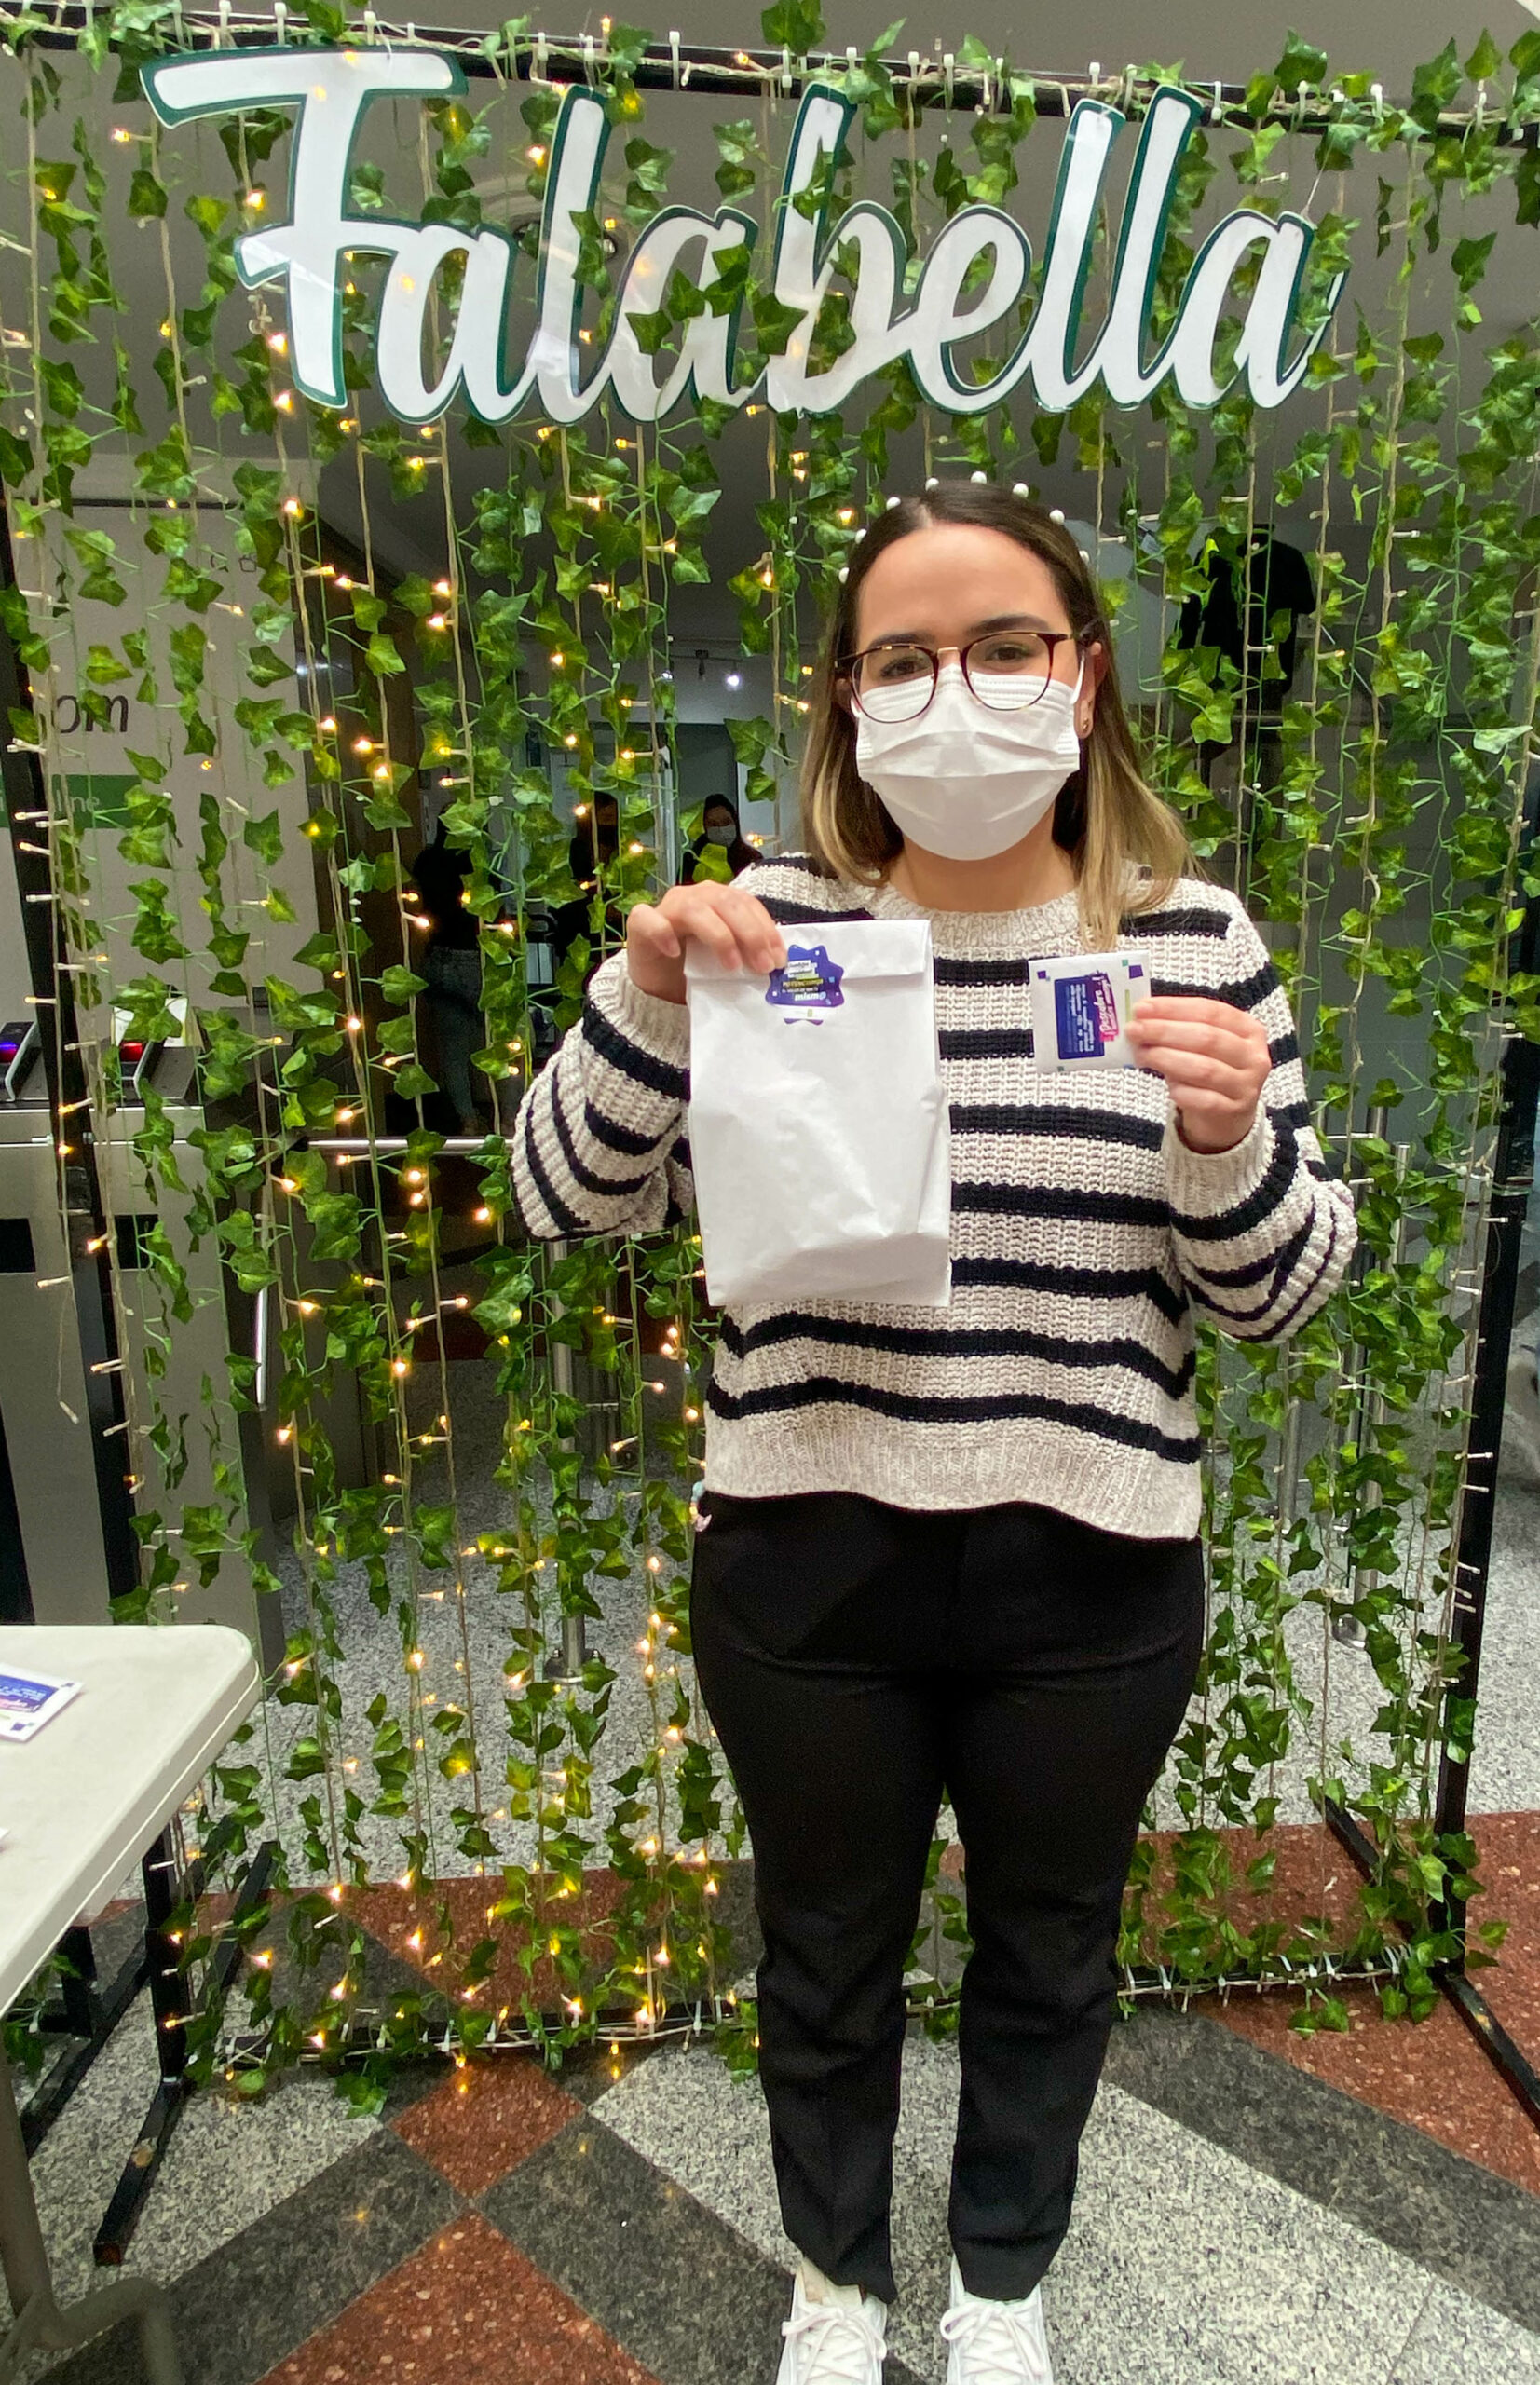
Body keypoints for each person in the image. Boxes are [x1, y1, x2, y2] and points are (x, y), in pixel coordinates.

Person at [511, 484, 1356, 2384]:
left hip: (1092, 1554)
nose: (951, 690)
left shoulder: (1193, 939)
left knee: (1049, 1946)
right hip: (809, 1549)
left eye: (1001, 647)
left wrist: (1227, 1139)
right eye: (900, 657)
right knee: (822, 1950)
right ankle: (834, 2285)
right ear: (843, 695)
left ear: (1083, 676)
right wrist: (645, 996)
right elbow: (562, 1198)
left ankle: (998, 2283)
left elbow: (1280, 1292)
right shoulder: (759, 931)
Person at [406, 814, 483, 1135]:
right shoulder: (476, 861)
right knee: (505, 1042)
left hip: (438, 956)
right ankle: (510, 1118)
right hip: (475, 956)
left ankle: (468, 1120)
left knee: (453, 1050)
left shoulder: (427, 861)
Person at [679, 794, 758, 882]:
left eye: (726, 822)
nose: (721, 829)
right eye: (713, 824)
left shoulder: (751, 858)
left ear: (735, 822)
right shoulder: (692, 860)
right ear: (704, 828)